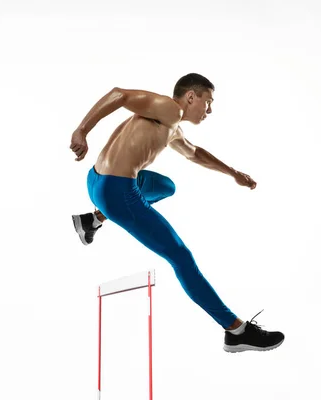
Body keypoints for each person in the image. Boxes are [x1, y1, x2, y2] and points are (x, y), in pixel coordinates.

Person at [69, 73, 284, 353]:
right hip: (116, 192)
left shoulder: (170, 125)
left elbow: (195, 153)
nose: (209, 110)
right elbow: (119, 94)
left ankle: (94, 219)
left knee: (166, 187)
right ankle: (236, 330)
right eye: (208, 102)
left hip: (96, 181)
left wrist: (233, 174)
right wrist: (81, 131)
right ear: (191, 96)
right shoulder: (170, 109)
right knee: (180, 257)